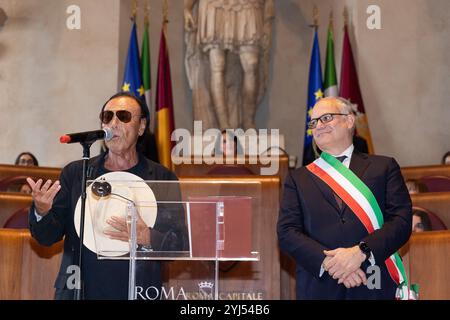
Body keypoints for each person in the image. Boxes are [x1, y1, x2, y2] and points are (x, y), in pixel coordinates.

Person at [26, 92, 187, 300]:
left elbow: (180, 245)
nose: (114, 123)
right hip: (79, 289)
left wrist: (148, 236)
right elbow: (47, 237)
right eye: (107, 117)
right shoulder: (76, 173)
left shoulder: (162, 178)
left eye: (124, 116)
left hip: (136, 290)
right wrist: (42, 211)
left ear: (141, 127)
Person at [277, 97, 412, 299]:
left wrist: (361, 253)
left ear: (349, 120)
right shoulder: (298, 178)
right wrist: (334, 265)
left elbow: (400, 222)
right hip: (320, 286)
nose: (318, 126)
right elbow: (287, 232)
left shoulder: (383, 167)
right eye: (314, 122)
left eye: (326, 118)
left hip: (373, 282)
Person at [184, 0, 274, 129]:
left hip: (247, 4)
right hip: (214, 5)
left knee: (251, 63)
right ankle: (224, 125)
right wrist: (187, 7)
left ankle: (248, 121)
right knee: (217, 66)